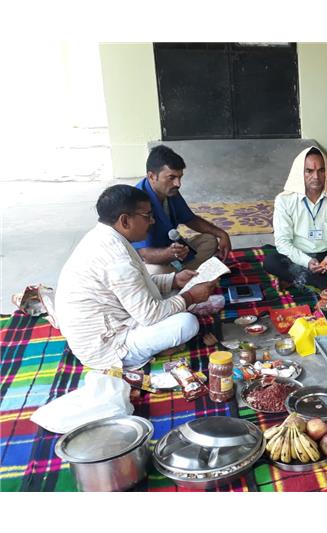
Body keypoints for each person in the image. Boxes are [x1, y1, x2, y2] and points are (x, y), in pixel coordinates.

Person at [55, 185, 217, 370]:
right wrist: (191, 297)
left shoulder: (105, 236)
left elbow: (139, 283)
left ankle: (161, 338)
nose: (152, 221)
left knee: (171, 291)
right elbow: (149, 315)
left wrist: (174, 280)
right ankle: (150, 351)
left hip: (115, 319)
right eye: (147, 216)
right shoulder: (117, 259)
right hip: (109, 346)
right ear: (125, 221)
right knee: (187, 323)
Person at [265, 147, 327, 290]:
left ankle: (297, 279)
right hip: (298, 256)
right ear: (300, 173)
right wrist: (307, 261)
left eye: (321, 170)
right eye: (309, 171)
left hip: (326, 257)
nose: (316, 176)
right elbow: (283, 242)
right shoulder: (284, 201)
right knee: (271, 261)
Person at [132, 145, 232, 275]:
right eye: (171, 178)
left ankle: (180, 274)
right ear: (151, 176)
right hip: (152, 260)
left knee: (210, 240)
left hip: (173, 252)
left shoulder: (170, 191)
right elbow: (145, 254)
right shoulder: (136, 202)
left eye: (180, 177)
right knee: (156, 271)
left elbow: (190, 219)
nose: (178, 184)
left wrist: (222, 234)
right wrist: (170, 254)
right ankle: (182, 275)